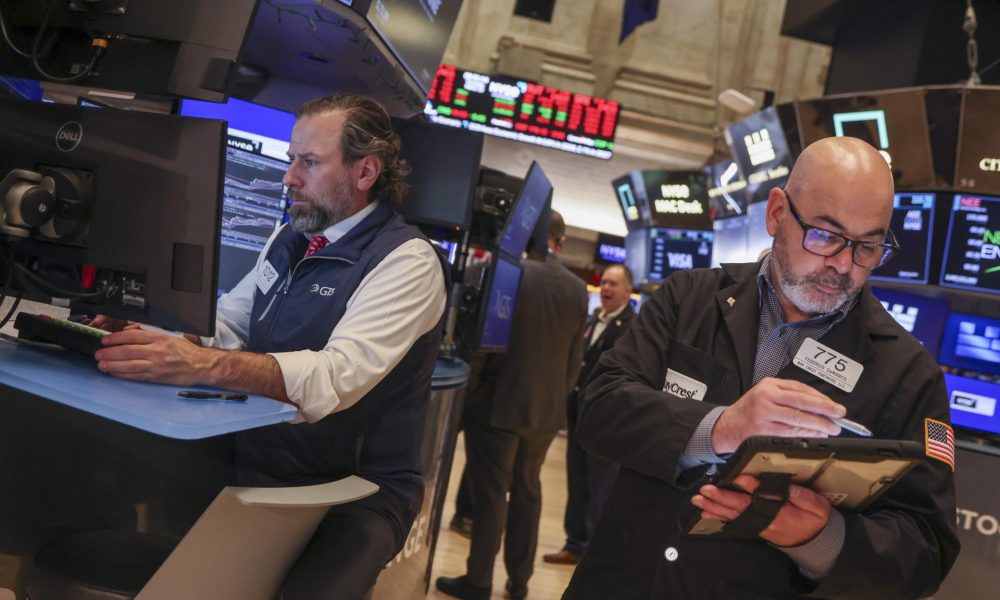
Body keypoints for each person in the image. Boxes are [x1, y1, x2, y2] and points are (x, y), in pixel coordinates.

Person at [563, 137, 960, 599]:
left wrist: (819, 537)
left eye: (867, 246)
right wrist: (721, 427)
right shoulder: (687, 299)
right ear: (776, 213)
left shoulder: (909, 375)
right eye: (826, 235)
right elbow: (599, 408)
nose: (843, 265)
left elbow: (926, 553)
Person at [92, 93, 448, 599]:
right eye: (290, 161)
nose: (289, 178)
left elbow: (332, 379)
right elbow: (231, 323)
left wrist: (200, 363)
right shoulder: (290, 237)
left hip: (354, 491)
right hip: (262, 461)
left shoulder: (406, 262)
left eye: (309, 162)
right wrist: (155, 324)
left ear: (365, 171)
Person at [437, 210, 588, 600]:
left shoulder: (508, 275)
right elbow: (574, 361)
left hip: (498, 406)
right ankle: (519, 583)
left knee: (490, 495)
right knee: (528, 492)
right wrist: (554, 402)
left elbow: (484, 347)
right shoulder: (576, 289)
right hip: (544, 413)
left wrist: (465, 403)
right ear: (559, 240)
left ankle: (478, 581)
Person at [544, 263, 635, 566]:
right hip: (578, 415)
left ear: (627, 290)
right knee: (578, 482)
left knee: (601, 489)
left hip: (608, 422)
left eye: (613, 284)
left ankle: (597, 554)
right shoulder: (591, 320)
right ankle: (575, 543)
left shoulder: (633, 327)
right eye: (604, 283)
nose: (606, 289)